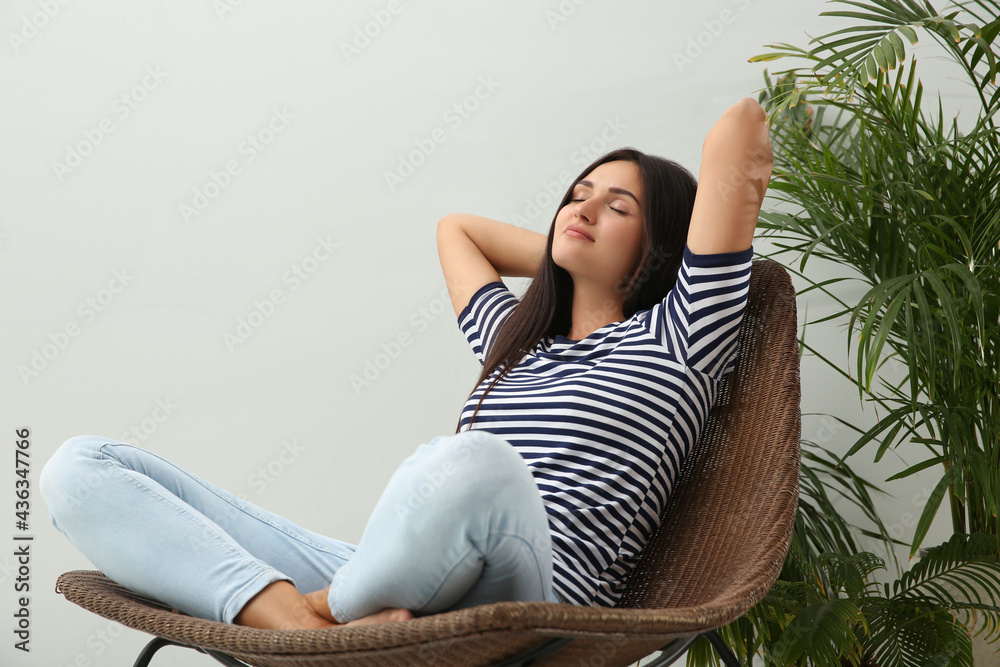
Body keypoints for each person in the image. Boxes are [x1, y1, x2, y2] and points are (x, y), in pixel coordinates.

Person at [39, 97, 772, 630]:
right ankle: (304, 631)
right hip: (395, 571)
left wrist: (631, 266)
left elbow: (736, 133)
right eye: (575, 196)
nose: (580, 208)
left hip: (536, 595)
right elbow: (455, 228)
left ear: (664, 246)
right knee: (80, 467)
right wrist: (565, 253)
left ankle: (324, 609)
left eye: (618, 207)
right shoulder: (515, 340)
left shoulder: (682, 335)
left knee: (475, 463)